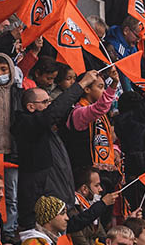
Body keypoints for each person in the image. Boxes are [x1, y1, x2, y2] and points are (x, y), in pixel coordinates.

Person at [14, 70, 104, 230]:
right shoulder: (26, 125)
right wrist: (81, 85)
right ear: (31, 106)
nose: (49, 106)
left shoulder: (48, 130)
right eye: (45, 102)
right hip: (41, 216)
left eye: (50, 102)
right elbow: (53, 113)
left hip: (60, 204)